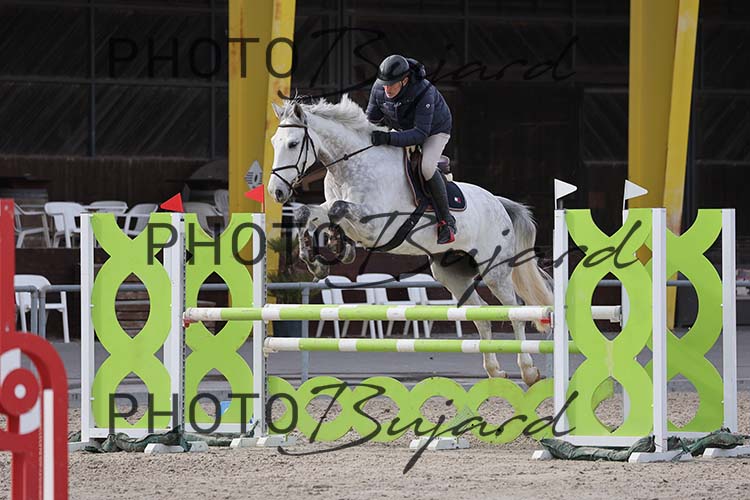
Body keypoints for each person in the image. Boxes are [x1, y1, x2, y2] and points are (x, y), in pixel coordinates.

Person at [365, 54, 456, 244]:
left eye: (392, 84)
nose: (387, 89)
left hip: (434, 131)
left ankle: (447, 221)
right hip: (402, 128)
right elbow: (370, 121)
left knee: (426, 168)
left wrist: (388, 138)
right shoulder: (379, 88)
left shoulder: (424, 91)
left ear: (405, 81)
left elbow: (420, 134)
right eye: (384, 84)